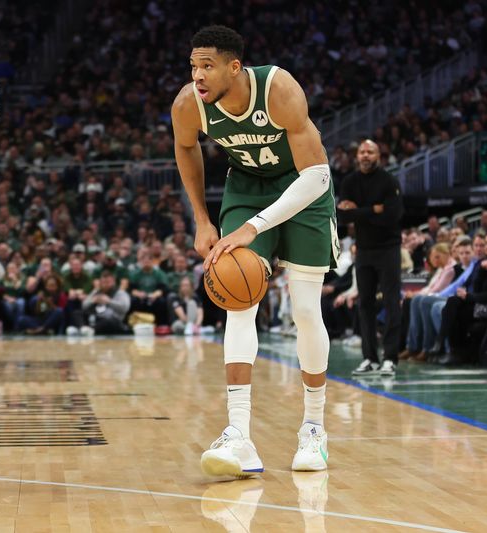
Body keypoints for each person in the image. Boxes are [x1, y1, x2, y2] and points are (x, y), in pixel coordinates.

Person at [172, 25, 335, 476]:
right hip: (245, 189)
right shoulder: (189, 105)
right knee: (238, 300)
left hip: (303, 191)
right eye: (193, 66)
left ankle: (314, 430)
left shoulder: (278, 89)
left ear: (234, 67)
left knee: (304, 309)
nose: (198, 76)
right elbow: (185, 148)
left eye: (207, 66)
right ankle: (239, 435)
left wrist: (253, 227)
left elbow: (318, 176)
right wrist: (203, 220)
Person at [338, 140, 403, 376]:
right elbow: (343, 218)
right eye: (362, 152)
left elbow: (392, 216)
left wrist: (358, 211)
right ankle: (370, 358)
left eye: (370, 152)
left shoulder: (388, 181)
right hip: (363, 249)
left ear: (379, 155)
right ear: (357, 156)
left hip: (388, 248)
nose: (365, 155)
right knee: (364, 304)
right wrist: (373, 209)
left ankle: (390, 358)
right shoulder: (349, 181)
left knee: (390, 301)